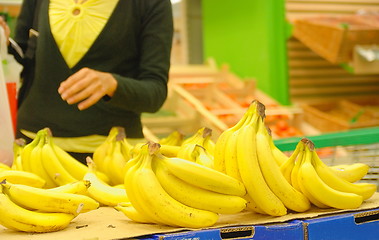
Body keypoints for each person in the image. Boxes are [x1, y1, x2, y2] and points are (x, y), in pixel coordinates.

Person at [0, 0, 173, 163]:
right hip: (31, 147)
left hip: (112, 156)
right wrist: (4, 43)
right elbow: (22, 61)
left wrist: (113, 84)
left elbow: (155, 92)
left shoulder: (150, 4)